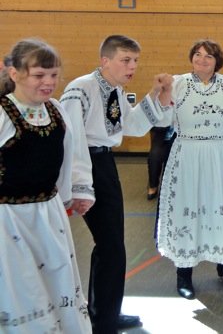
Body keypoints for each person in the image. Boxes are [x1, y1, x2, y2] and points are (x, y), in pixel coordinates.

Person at [60, 35, 173, 334]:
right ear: (105, 61)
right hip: (88, 166)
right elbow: (72, 140)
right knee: (110, 247)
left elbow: (132, 125)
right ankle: (103, 321)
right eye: (125, 60)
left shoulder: (115, 90)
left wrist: (155, 94)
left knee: (112, 246)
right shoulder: (81, 88)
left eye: (135, 60)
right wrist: (79, 186)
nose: (132, 66)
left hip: (105, 164)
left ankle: (105, 312)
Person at [0, 38, 93, 333]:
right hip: (9, 220)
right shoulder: (3, 113)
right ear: (15, 73)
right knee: (22, 289)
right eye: (39, 75)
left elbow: (70, 155)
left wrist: (72, 194)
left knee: (56, 281)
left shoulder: (56, 110)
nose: (48, 82)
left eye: (53, 75)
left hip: (49, 216)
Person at [155, 39, 223, 300]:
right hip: (187, 154)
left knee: (221, 206)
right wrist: (163, 92)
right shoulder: (178, 83)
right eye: (198, 55)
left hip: (219, 155)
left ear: (216, 62)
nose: (202, 59)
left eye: (208, 56)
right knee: (186, 208)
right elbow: (163, 118)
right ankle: (184, 273)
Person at [146, 126, 175, 200]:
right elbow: (153, 126)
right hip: (163, 136)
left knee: (172, 156)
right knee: (154, 156)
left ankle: (168, 185)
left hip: (181, 138)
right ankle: (153, 185)